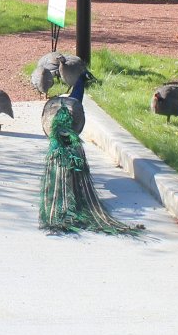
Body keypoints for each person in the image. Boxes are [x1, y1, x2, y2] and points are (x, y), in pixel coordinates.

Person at [39, 74, 141, 234]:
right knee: (71, 156)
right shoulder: (76, 105)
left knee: (59, 154)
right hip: (72, 130)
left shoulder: (52, 103)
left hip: (54, 132)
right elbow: (76, 130)